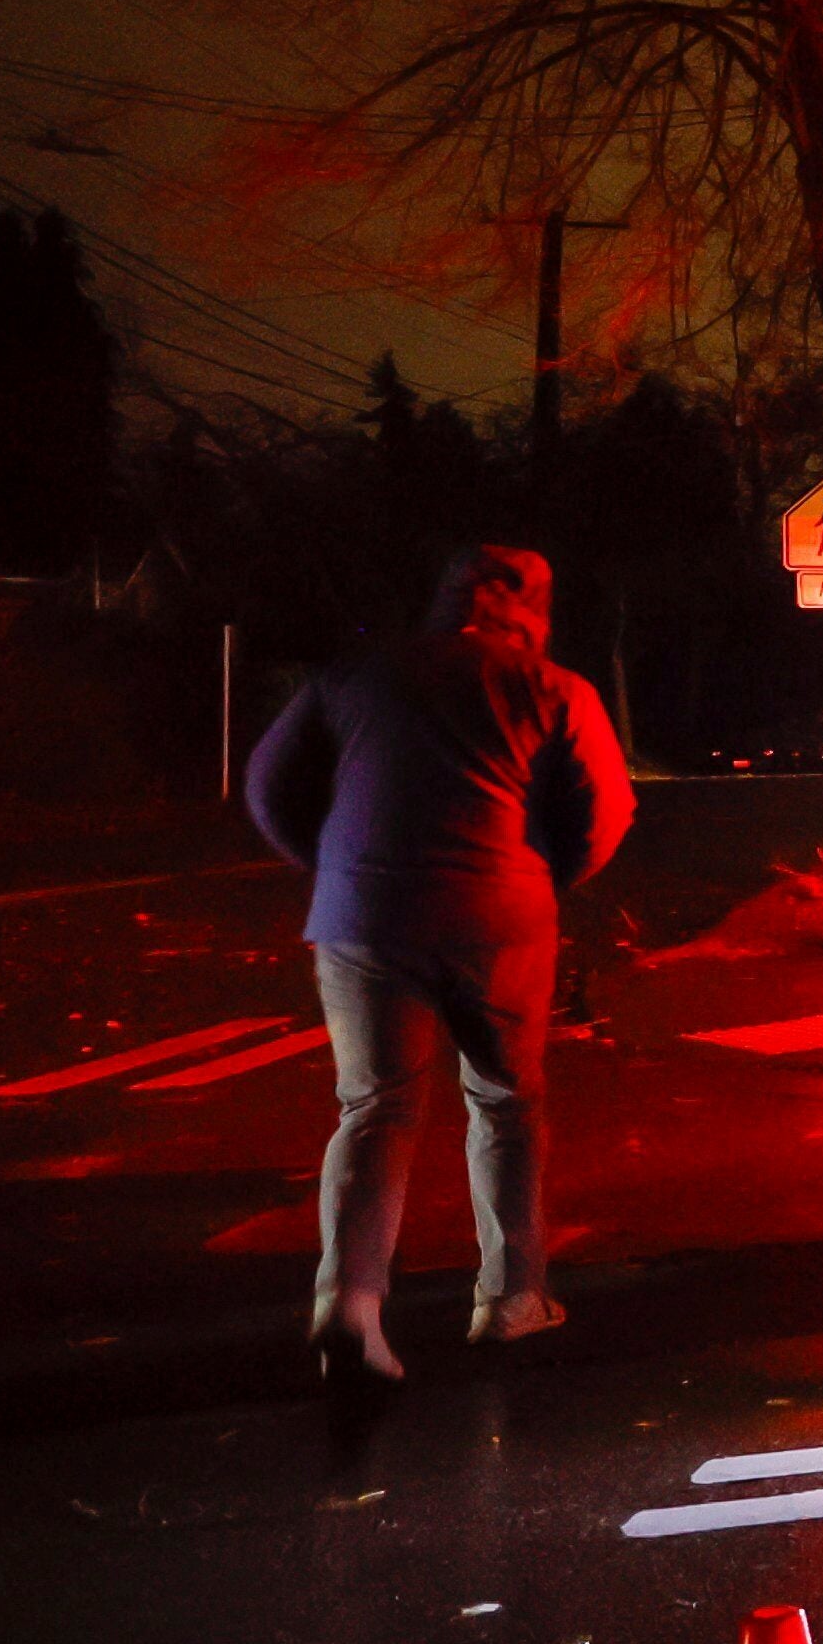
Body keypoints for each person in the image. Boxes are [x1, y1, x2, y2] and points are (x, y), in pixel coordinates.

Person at [243, 543, 635, 1385]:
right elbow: (606, 809)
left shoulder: (354, 678)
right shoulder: (556, 688)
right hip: (501, 917)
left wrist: (338, 866)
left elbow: (268, 785)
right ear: (531, 610)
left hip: (364, 919)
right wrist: (543, 877)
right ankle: (510, 1297)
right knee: (505, 1102)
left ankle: (349, 1306)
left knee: (375, 1107)